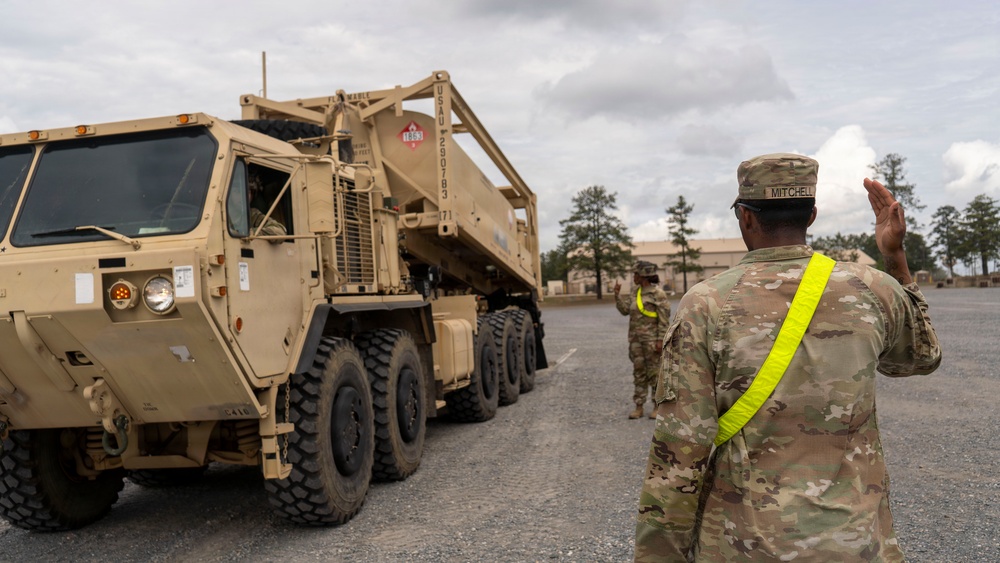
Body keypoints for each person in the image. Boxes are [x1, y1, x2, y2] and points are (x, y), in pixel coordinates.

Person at [635, 153, 941, 561]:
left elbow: (680, 452)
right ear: (811, 215)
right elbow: (920, 359)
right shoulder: (872, 287)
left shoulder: (705, 304)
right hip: (856, 541)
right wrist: (896, 260)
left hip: (745, 545)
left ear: (745, 217)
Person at [615, 261, 671, 419]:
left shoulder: (658, 294)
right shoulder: (635, 292)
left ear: (643, 275)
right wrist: (617, 296)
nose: (634, 277)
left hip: (653, 341)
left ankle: (656, 406)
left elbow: (664, 319)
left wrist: (661, 340)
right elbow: (625, 311)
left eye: (636, 274)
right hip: (636, 341)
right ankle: (638, 406)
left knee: (654, 373)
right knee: (638, 372)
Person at [248, 172, 286, 242]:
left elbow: (280, 232)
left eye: (250, 192)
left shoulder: (251, 214)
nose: (247, 196)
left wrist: (251, 233)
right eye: (238, 191)